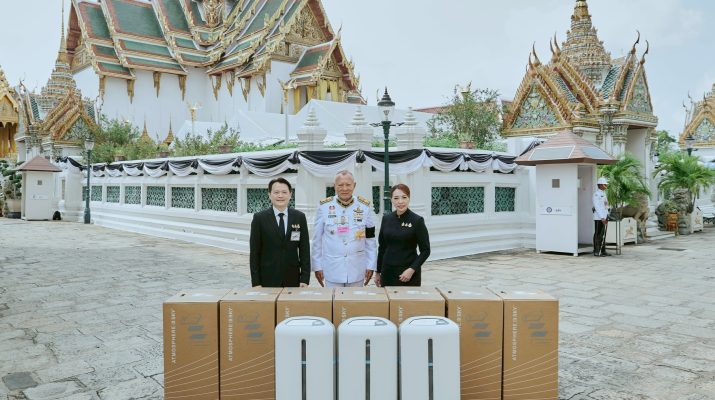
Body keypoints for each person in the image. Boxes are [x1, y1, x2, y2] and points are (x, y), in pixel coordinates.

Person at [311, 170, 377, 287]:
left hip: (357, 268)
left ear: (354, 185)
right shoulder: (324, 207)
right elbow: (317, 239)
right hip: (332, 268)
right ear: (334, 186)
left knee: (355, 298)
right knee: (333, 298)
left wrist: (371, 265)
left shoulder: (364, 207)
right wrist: (317, 266)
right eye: (340, 185)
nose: (344, 188)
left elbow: (370, 239)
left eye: (348, 185)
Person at [249, 177, 310, 287]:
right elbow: (254, 253)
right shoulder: (259, 218)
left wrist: (304, 279)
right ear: (269, 195)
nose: (280, 196)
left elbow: (304, 250)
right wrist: (256, 282)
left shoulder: (299, 217)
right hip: (267, 279)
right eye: (276, 192)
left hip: (293, 279)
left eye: (284, 192)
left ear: (290, 194)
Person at [376, 184, 430, 287]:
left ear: (409, 198)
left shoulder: (417, 221)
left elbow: (425, 250)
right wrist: (378, 272)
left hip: (408, 274)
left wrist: (412, 269)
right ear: (391, 200)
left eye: (404, 197)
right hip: (387, 272)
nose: (400, 202)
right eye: (396, 198)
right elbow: (382, 247)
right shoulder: (386, 219)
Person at [593, 176, 611, 257]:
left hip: (604, 216)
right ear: (600, 185)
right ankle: (596, 251)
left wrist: (607, 215)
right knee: (598, 234)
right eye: (604, 184)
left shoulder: (604, 193)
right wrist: (602, 217)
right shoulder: (596, 194)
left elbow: (605, 205)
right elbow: (597, 207)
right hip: (598, 217)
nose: (606, 185)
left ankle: (603, 251)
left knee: (603, 235)